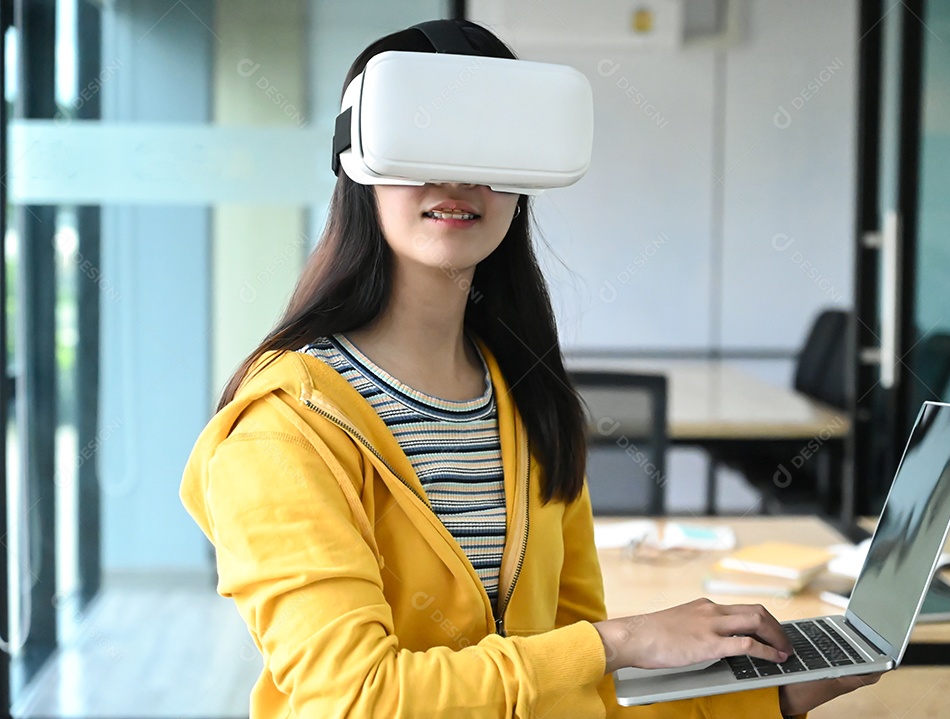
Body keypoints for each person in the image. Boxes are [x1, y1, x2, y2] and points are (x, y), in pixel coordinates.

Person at [180, 19, 877, 719]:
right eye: (424, 136)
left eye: (492, 142)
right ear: (357, 154)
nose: (459, 176)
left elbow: (570, 699)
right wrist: (618, 640)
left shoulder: (528, 400)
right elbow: (358, 698)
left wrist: (768, 698)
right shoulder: (283, 431)